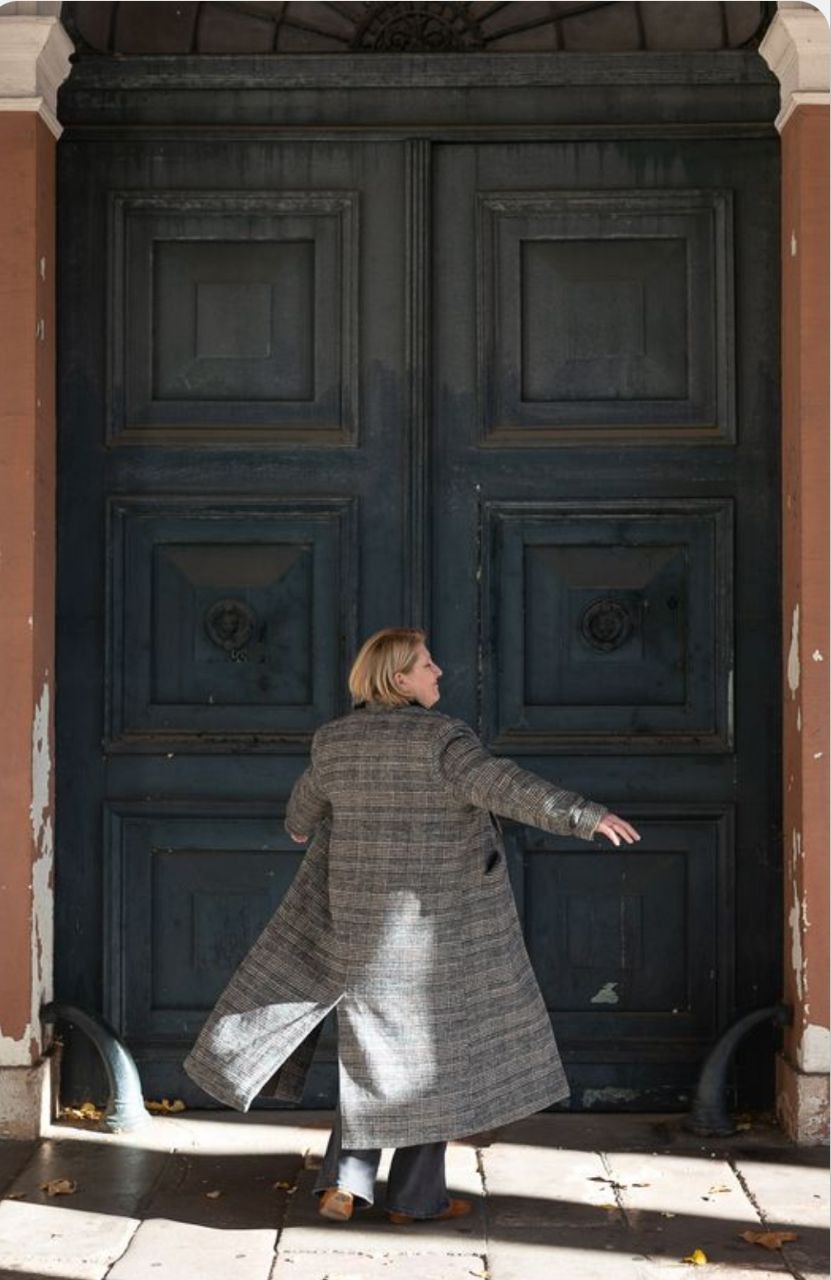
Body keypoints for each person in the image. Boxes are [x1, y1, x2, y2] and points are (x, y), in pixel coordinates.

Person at [283, 627, 639, 1225]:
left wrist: (302, 828)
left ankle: (344, 1183)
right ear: (399, 678)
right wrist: (585, 815)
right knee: (431, 1061)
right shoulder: (441, 741)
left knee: (372, 1053)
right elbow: (509, 787)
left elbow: (301, 812)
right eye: (426, 665)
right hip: (433, 931)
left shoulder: (335, 741)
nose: (439, 672)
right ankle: (415, 1199)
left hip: (358, 928)